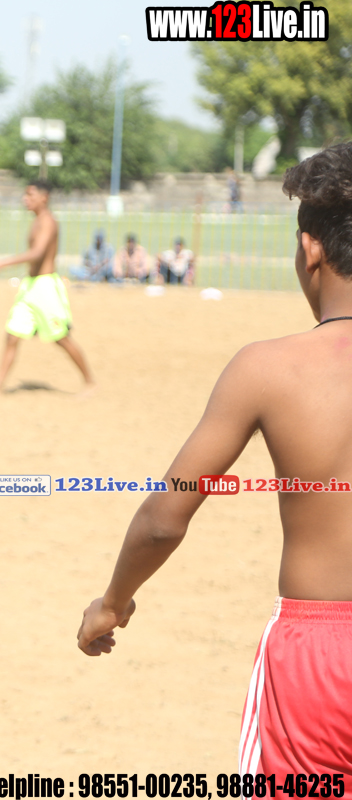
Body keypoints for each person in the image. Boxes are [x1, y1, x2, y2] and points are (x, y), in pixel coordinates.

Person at [77, 143, 352, 778]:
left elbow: (163, 520)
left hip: (318, 656)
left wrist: (114, 601)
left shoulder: (267, 368)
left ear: (310, 249)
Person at [0, 180, 96, 395]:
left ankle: (90, 383)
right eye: (25, 195)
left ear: (44, 198)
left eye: (30, 195)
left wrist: (2, 263)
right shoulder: (36, 221)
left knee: (61, 338)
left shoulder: (48, 221)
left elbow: (37, 253)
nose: (25, 199)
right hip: (30, 286)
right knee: (12, 336)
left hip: (45, 288)